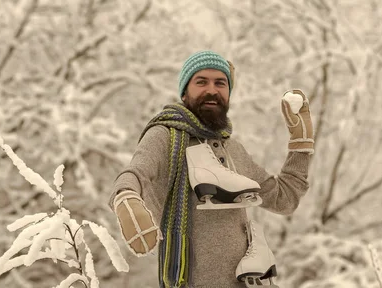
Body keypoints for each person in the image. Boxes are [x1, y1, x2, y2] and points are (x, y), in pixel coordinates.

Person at [109, 50, 314, 287]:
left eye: (220, 83)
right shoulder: (165, 135)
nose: (212, 90)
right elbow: (137, 172)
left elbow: (284, 199)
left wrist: (301, 144)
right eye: (201, 82)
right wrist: (126, 197)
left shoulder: (232, 149)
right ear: (185, 92)